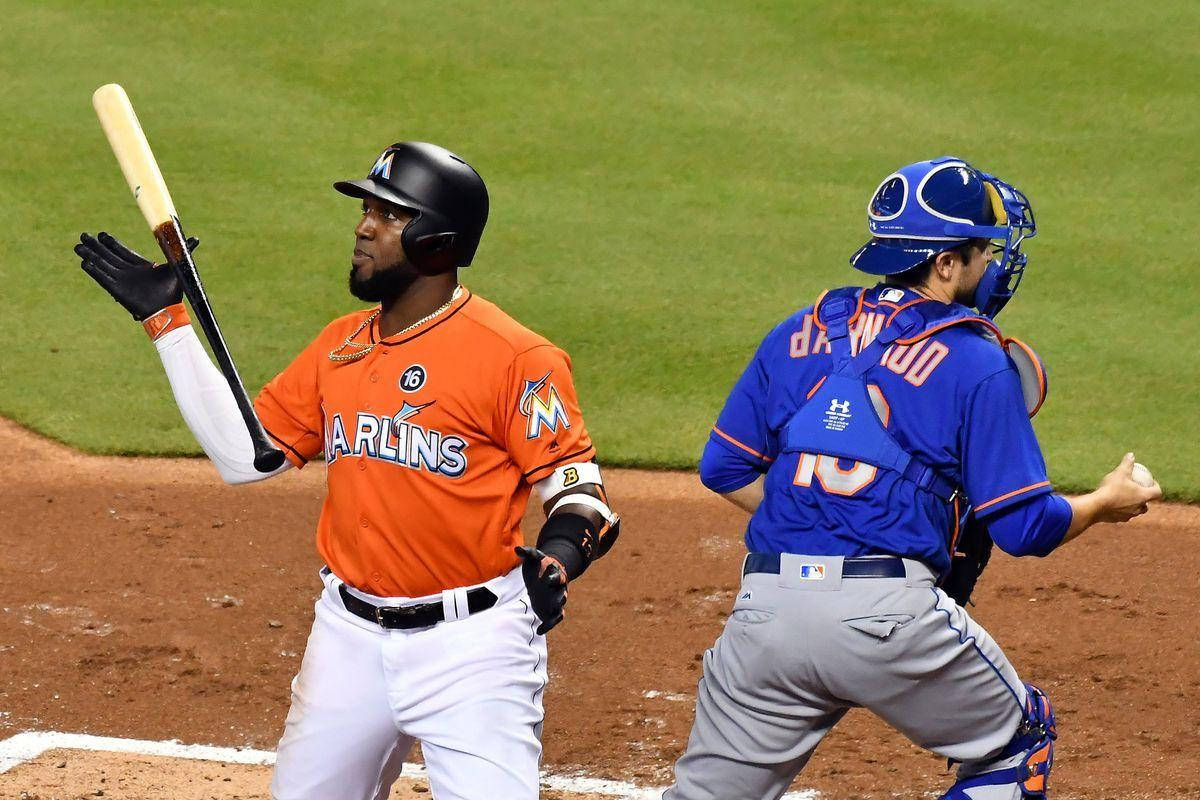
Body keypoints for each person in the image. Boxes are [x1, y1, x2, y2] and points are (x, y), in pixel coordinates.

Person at [74, 141, 620, 800]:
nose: (364, 227)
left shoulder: (515, 357)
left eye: (389, 215)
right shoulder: (340, 346)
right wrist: (167, 322)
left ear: (437, 242)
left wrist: (560, 557)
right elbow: (245, 459)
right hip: (347, 640)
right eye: (367, 209)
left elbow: (580, 493)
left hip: (475, 649)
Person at [664, 157, 1162, 800]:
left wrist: (824, 517)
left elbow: (724, 467)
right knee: (1020, 741)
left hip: (765, 613)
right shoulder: (977, 359)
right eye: (981, 249)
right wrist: (1103, 502)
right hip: (884, 619)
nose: (990, 263)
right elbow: (1024, 527)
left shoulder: (801, 329)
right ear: (946, 263)